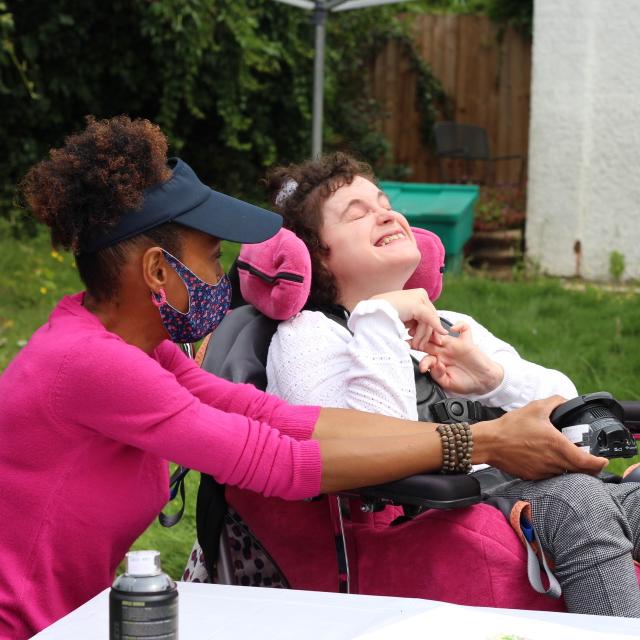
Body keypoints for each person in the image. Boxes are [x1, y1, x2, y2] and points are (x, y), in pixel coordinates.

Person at [0, 117, 607, 639]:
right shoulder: (92, 364)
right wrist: (485, 442)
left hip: (67, 619)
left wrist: (485, 436)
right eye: (212, 256)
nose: (224, 275)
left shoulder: (144, 352)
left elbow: (284, 421)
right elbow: (278, 464)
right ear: (159, 271)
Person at [193, 152, 639, 617]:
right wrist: (380, 317)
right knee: (579, 503)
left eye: (385, 204)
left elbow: (567, 404)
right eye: (357, 214)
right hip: (437, 516)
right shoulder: (308, 336)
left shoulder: (451, 323)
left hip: (529, 494)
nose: (387, 214)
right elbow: (365, 451)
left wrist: (492, 379)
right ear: (316, 256)